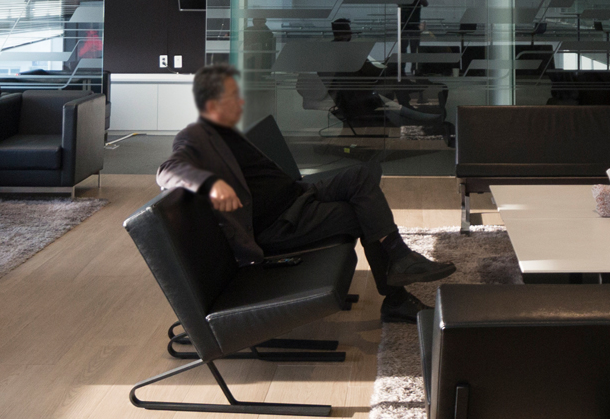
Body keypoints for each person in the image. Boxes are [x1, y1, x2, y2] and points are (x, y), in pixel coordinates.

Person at [156, 64, 455, 322]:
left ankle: (400, 258)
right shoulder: (194, 136)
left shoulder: (227, 133)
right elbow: (167, 170)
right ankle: (396, 296)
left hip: (299, 194)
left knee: (363, 175)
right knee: (363, 214)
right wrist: (210, 184)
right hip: (282, 223)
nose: (240, 100)